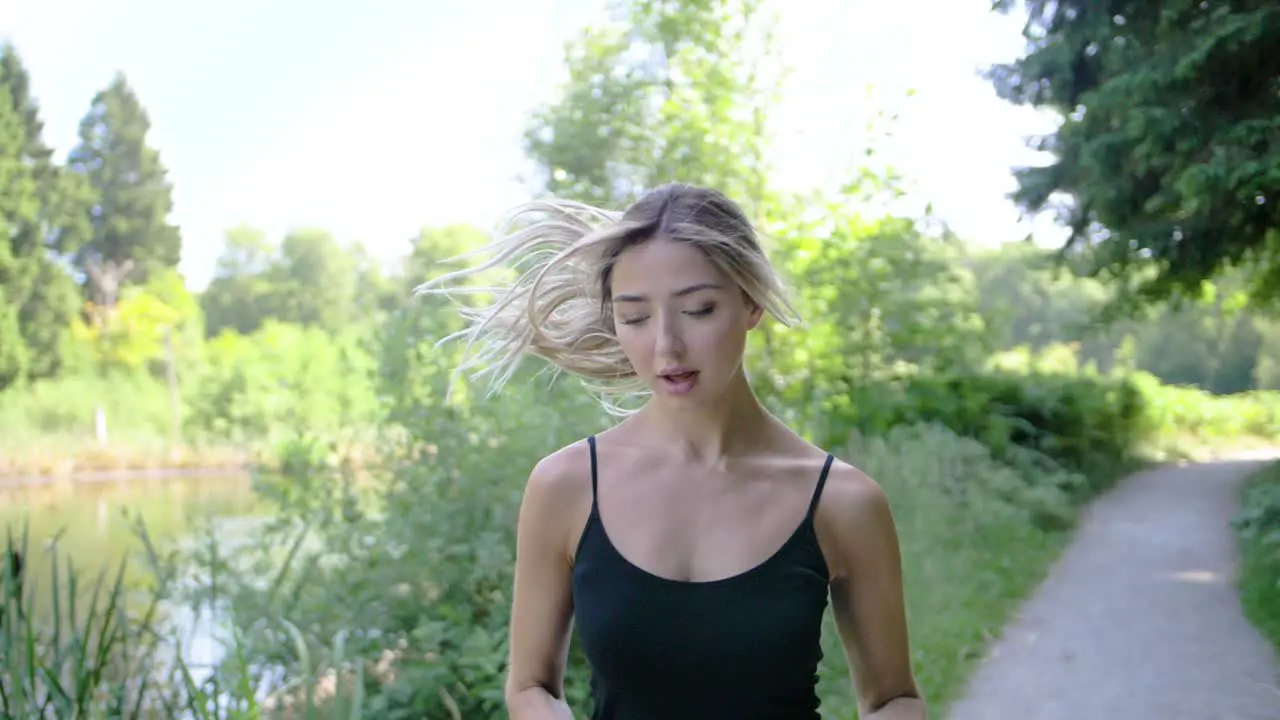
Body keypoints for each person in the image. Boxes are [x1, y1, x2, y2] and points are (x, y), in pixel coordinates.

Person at [419, 183, 925, 720]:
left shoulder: (843, 502)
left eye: (698, 309)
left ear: (751, 301)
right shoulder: (566, 486)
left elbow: (895, 700)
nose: (666, 346)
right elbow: (530, 687)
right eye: (635, 317)